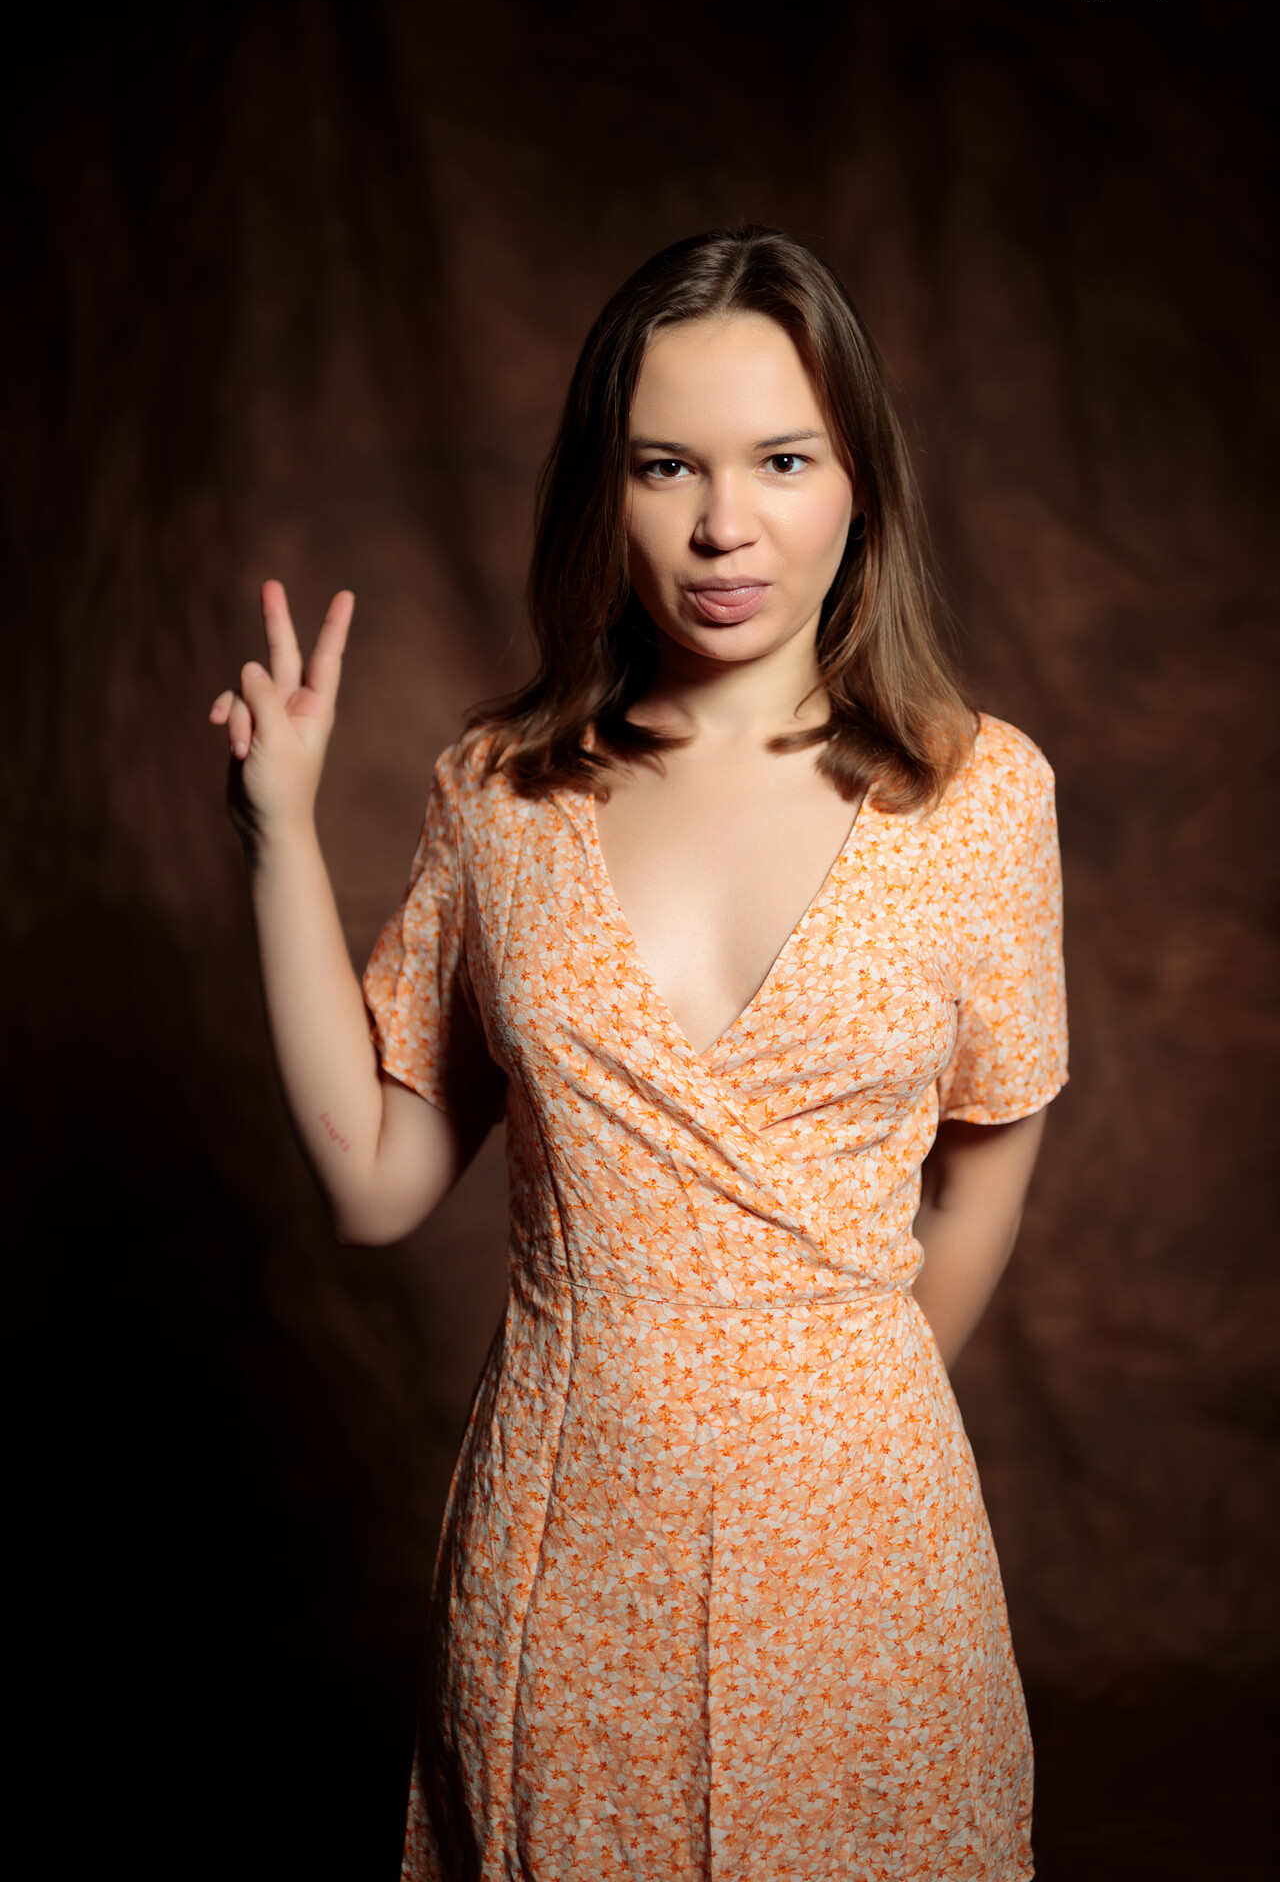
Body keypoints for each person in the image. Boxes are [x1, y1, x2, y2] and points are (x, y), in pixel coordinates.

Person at [209, 227, 1067, 1881]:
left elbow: (981, 1190)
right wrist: (280, 836)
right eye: (665, 465)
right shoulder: (499, 796)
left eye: (782, 461)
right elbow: (373, 1183)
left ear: (860, 488)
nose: (723, 523)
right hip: (565, 1550)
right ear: (606, 492)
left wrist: (832, 1408)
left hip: (871, 1550)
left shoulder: (982, 797)